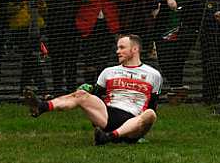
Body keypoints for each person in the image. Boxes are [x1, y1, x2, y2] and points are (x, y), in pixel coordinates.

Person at [25, 34, 161, 145]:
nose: (117, 51)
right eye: (117, 47)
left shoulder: (153, 75)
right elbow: (96, 95)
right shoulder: (109, 72)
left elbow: (152, 106)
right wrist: (86, 92)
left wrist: (141, 128)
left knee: (150, 114)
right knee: (82, 95)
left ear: (135, 49)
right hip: (108, 117)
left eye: (122, 47)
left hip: (134, 124)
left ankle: (109, 137)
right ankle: (41, 106)